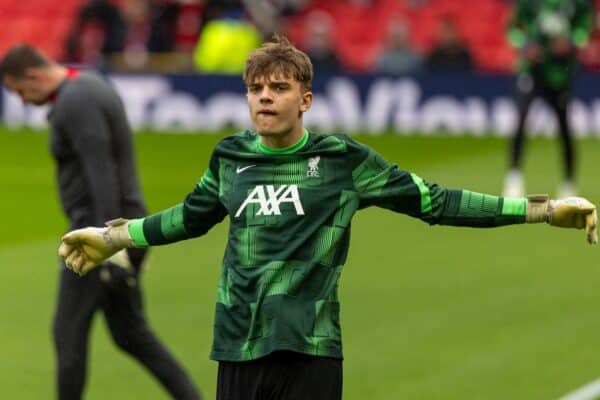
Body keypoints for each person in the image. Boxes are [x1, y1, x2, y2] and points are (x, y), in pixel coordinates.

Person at [57, 35, 597, 400]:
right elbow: (190, 218)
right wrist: (115, 236)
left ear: (306, 99)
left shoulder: (344, 162)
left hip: (310, 349)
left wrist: (544, 210)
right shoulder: (230, 158)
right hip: (238, 347)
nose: (264, 97)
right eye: (255, 88)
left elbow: (438, 202)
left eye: (279, 87)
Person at [0, 44, 202, 400]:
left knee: (68, 333)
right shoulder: (90, 86)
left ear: (33, 76)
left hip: (95, 239)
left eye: (19, 90)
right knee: (133, 336)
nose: (21, 100)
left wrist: (109, 244)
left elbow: (102, 173)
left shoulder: (76, 101)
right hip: (114, 234)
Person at [502, 0, 595, 198]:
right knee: (521, 119)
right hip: (533, 70)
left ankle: (568, 183)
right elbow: (513, 28)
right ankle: (513, 178)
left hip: (560, 72)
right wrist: (525, 45)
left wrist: (571, 42)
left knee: (564, 127)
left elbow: (586, 27)